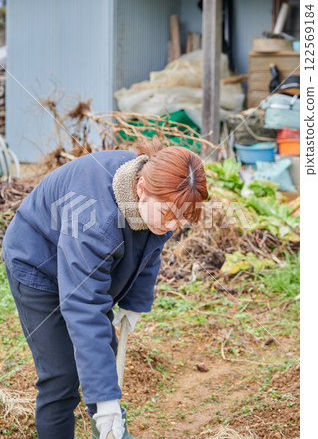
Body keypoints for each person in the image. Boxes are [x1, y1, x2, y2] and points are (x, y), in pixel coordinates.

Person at [2, 137, 208, 439]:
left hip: (79, 262)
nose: (173, 225)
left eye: (181, 218)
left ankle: (111, 429)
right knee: (61, 376)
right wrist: (106, 398)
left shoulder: (159, 199)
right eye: (168, 214)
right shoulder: (95, 220)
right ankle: (99, 412)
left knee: (102, 351)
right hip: (37, 263)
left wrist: (134, 303)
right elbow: (83, 306)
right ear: (140, 190)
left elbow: (148, 249)